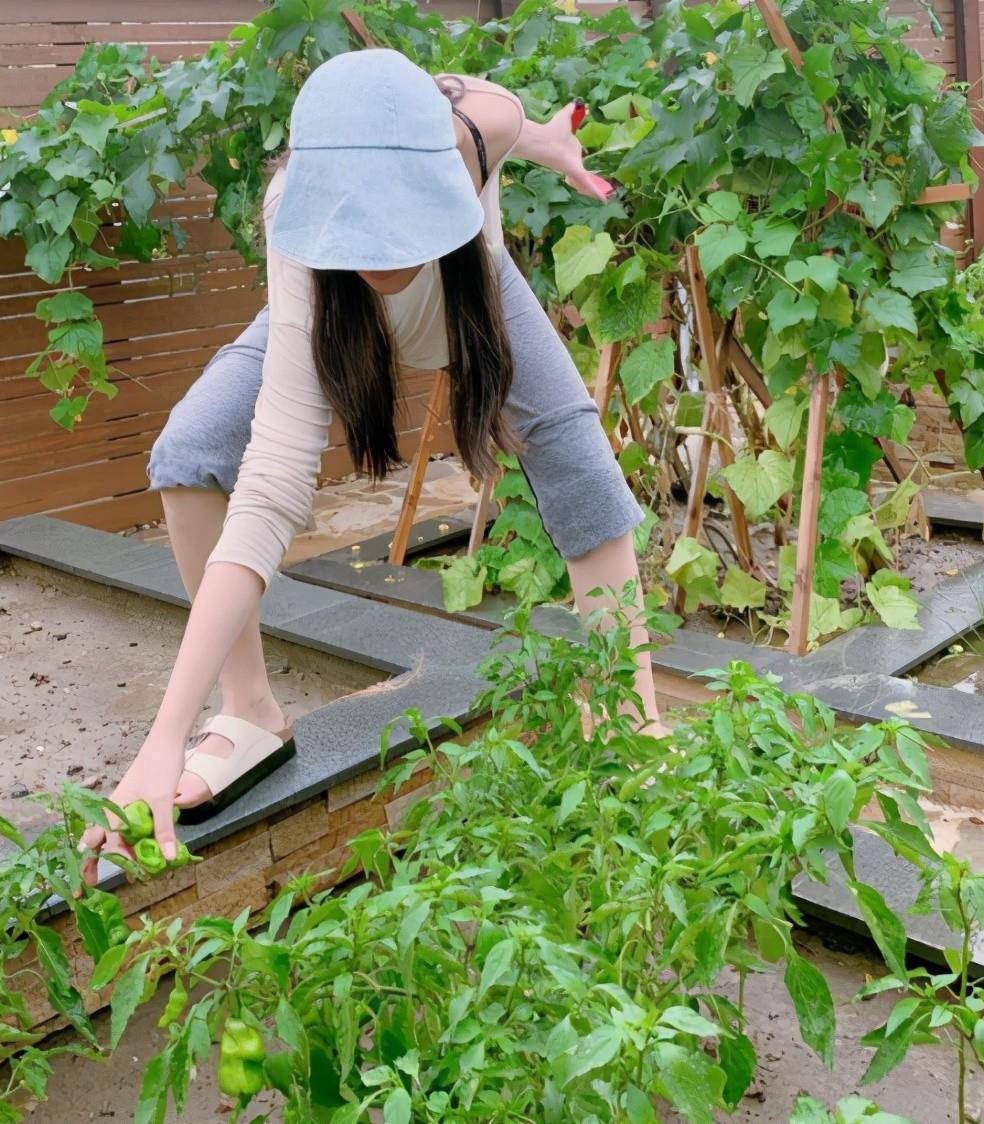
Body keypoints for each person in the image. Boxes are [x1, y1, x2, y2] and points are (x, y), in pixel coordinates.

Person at [80, 48, 664, 879]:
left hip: (474, 305)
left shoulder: (476, 123)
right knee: (191, 449)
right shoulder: (297, 223)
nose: (382, 245)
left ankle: (629, 722)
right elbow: (271, 488)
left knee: (578, 457)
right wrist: (163, 737)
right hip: (326, 325)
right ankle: (248, 713)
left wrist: (553, 146)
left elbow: (515, 126)